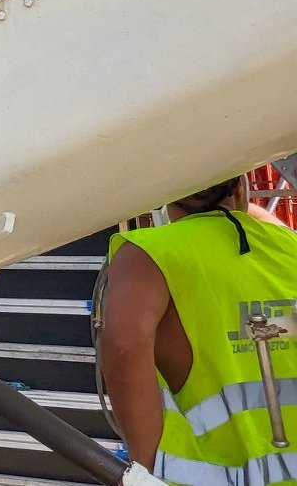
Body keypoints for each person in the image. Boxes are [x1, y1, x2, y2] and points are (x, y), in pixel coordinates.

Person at [99, 173, 297, 483]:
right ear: (241, 188)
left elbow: (124, 344)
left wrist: (145, 466)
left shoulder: (151, 254)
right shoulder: (288, 244)